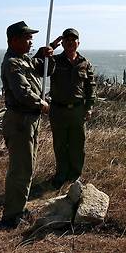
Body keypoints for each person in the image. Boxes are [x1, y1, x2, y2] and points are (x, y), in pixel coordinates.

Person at [0, 21, 61, 228]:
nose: (31, 40)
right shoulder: (12, 63)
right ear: (14, 40)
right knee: (20, 169)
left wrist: (48, 53)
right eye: (27, 38)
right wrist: (42, 103)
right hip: (20, 121)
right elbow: (22, 93)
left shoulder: (23, 59)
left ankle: (19, 208)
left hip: (29, 121)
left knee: (27, 166)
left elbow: (45, 71)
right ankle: (12, 216)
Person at [48, 28, 96, 188]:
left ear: (78, 43)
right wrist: (50, 47)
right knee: (60, 145)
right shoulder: (54, 60)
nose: (70, 42)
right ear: (62, 43)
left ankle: (74, 176)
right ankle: (61, 175)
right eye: (66, 40)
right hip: (58, 110)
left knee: (77, 145)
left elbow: (91, 87)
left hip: (77, 110)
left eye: (73, 40)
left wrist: (89, 107)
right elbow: (39, 68)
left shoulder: (84, 63)